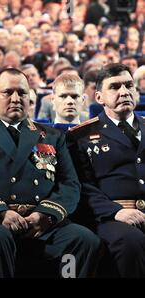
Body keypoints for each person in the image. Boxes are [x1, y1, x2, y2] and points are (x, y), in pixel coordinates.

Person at [0, 68, 100, 278]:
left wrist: (46, 214)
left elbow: (69, 183)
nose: (16, 98)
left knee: (83, 239)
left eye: (22, 93)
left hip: (41, 221)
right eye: (7, 92)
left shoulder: (51, 136)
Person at [67, 63, 145, 277]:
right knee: (131, 241)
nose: (124, 92)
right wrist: (115, 211)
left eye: (129, 85)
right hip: (111, 216)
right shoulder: (80, 136)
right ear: (99, 98)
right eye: (115, 87)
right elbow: (81, 185)